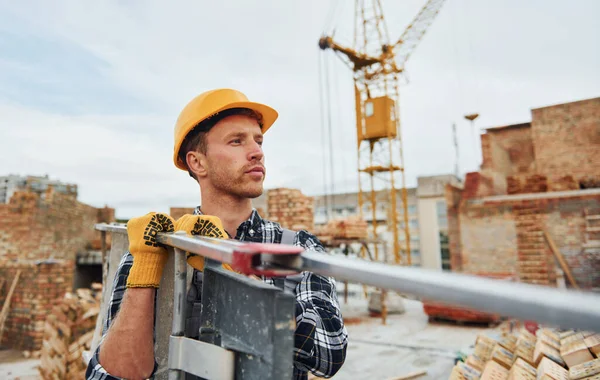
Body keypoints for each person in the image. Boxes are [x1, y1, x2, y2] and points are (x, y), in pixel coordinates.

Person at [85, 88, 348, 380]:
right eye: (237, 141)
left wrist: (237, 274)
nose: (257, 151)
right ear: (198, 162)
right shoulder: (158, 249)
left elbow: (330, 353)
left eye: (258, 140)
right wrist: (146, 266)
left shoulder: (297, 248)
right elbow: (108, 376)